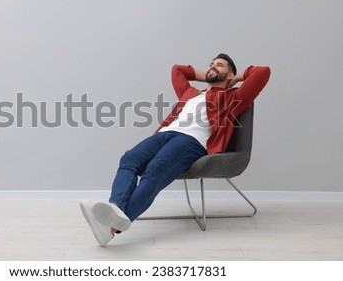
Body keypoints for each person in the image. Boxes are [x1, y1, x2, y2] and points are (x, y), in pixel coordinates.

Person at [80, 53, 271, 246]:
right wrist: (209, 74)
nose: (213, 67)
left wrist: (236, 79)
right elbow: (177, 70)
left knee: (155, 171)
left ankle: (112, 228)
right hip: (164, 134)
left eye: (219, 65)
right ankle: (115, 208)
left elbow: (262, 73)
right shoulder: (191, 93)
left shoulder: (233, 97)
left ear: (229, 75)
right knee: (128, 159)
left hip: (192, 141)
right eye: (211, 64)